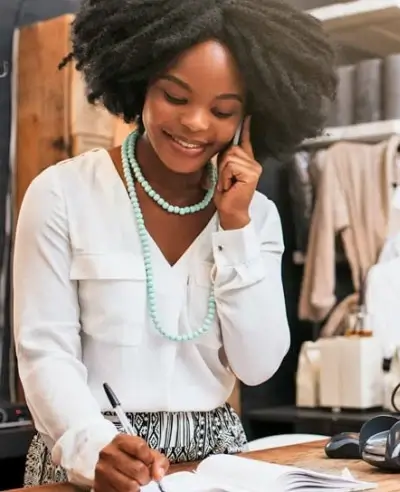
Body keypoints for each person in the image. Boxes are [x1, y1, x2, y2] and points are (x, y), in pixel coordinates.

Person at [13, 0, 336, 490]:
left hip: (215, 466)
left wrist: (235, 227)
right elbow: (45, 352)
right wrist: (91, 444)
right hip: (94, 458)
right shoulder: (61, 194)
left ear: (250, 118)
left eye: (223, 110)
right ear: (141, 77)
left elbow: (258, 365)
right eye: (174, 96)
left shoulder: (256, 217)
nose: (196, 124)